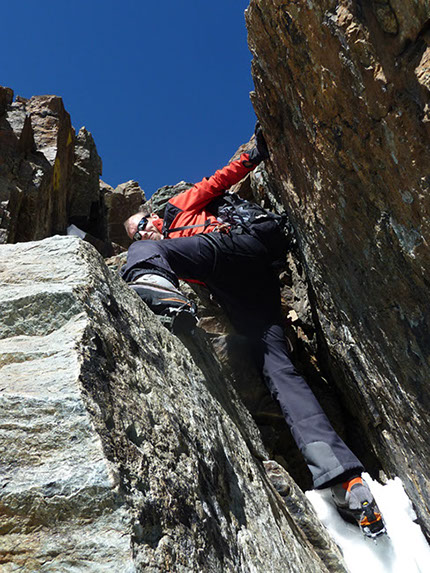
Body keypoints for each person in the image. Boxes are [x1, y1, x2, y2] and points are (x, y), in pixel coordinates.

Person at [120, 125, 385, 537]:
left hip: (231, 248)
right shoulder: (173, 246)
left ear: (152, 217)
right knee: (277, 369)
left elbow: (217, 181)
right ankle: (345, 481)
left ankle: (155, 288)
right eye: (137, 232)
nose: (144, 231)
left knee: (143, 255)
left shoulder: (175, 211)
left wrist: (255, 152)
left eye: (141, 225)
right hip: (249, 286)